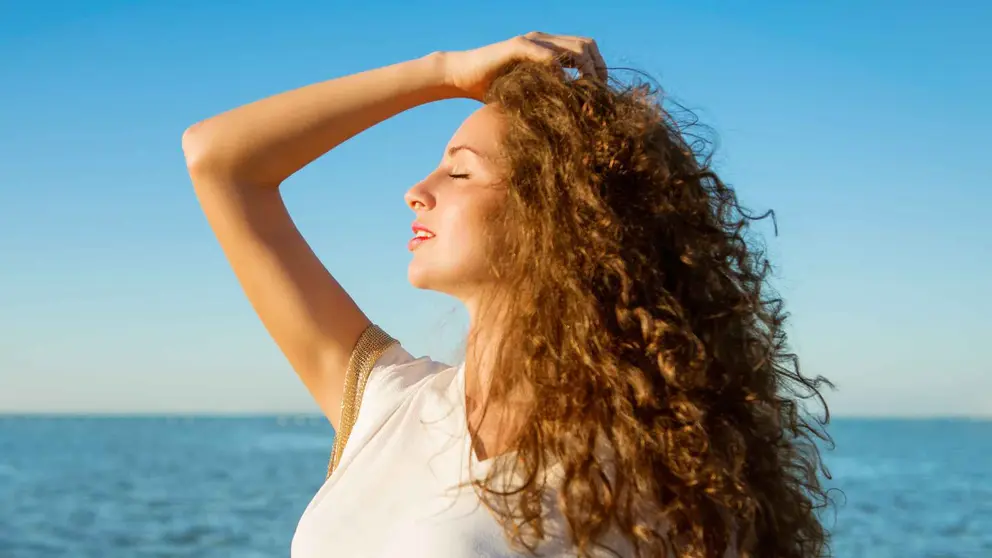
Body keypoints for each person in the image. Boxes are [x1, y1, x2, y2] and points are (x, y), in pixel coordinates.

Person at [182, 32, 831, 558]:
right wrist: (446, 71)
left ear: (557, 214)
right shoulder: (388, 402)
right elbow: (219, 159)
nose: (417, 188)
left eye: (460, 171)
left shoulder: (652, 480)